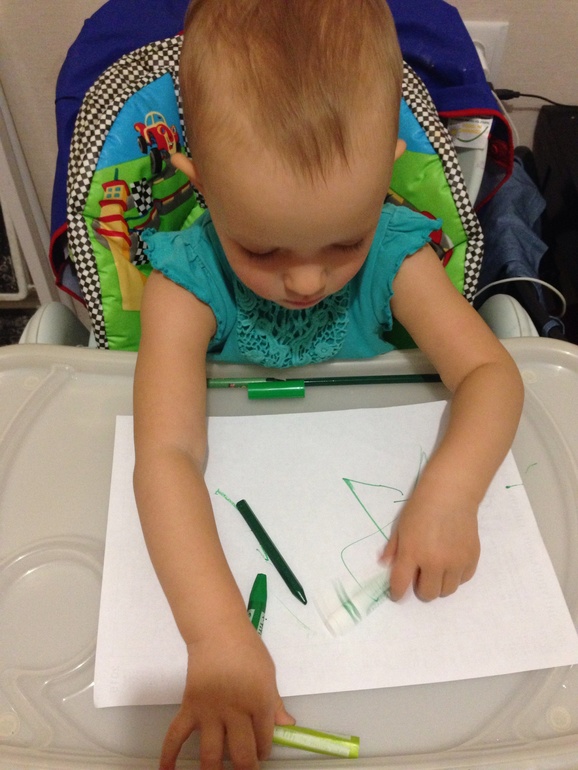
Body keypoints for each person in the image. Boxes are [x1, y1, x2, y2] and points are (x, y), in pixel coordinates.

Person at [133, 1, 524, 769]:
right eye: (262, 249)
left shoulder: (397, 256)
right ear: (201, 184)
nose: (308, 281)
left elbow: (490, 373)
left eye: (345, 240)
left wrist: (452, 492)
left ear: (386, 169)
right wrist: (216, 635)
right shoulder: (185, 283)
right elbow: (167, 454)